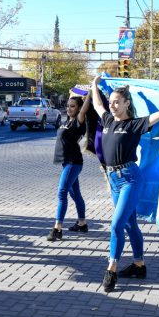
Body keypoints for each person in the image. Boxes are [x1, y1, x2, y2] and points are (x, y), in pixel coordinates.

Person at [91, 75, 159, 293]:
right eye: (111, 102)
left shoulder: (134, 124)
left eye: (116, 102)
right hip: (113, 180)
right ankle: (139, 265)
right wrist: (93, 85)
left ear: (126, 103)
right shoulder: (108, 120)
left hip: (130, 178)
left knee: (116, 225)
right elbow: (96, 104)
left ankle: (111, 268)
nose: (112, 106)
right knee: (130, 225)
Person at [47, 92, 92, 241]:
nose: (69, 108)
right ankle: (82, 223)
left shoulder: (78, 122)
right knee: (75, 194)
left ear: (79, 108)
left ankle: (57, 229)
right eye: (67, 106)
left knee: (62, 192)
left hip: (73, 162)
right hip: (67, 162)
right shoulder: (66, 122)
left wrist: (90, 92)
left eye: (72, 106)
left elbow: (85, 109)